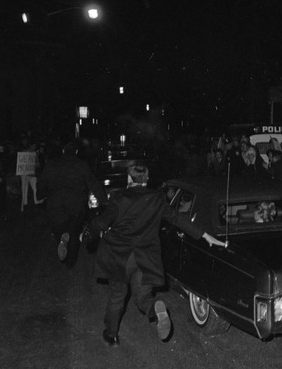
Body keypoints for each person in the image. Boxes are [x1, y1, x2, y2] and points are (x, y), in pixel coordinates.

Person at [89, 164, 225, 346]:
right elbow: (178, 219)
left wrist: (93, 231)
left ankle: (111, 335)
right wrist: (205, 236)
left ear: (129, 179)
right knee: (143, 297)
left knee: (117, 295)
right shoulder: (157, 199)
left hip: (119, 256)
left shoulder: (118, 198)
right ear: (146, 179)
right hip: (144, 257)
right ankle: (155, 309)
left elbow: (100, 224)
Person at [38, 141, 106, 269]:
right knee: (74, 232)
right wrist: (103, 201)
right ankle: (71, 261)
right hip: (76, 205)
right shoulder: (81, 165)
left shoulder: (51, 164)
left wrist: (40, 194)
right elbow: (93, 183)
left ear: (63, 151)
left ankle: (62, 240)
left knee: (59, 229)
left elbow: (42, 182)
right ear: (76, 152)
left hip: (55, 204)